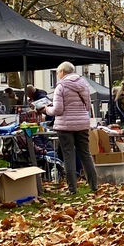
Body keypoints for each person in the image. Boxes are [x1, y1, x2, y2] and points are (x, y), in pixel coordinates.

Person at [42, 61, 98, 195]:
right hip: (83, 123)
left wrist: (46, 109)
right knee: (85, 154)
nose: (57, 75)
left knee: (69, 156)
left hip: (65, 125)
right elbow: (88, 105)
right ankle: (94, 185)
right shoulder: (84, 84)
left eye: (57, 72)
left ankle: (72, 188)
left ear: (62, 72)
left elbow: (58, 109)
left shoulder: (60, 87)